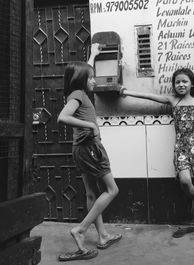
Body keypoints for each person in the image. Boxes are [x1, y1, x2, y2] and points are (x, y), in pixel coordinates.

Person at [120, 68, 194, 245]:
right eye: (177, 82)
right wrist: (126, 92)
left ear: (192, 84)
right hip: (181, 148)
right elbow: (149, 97)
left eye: (184, 81)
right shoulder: (173, 100)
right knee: (186, 180)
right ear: (174, 85)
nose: (181, 84)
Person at [57, 43, 122, 261]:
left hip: (80, 149)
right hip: (91, 148)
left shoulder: (78, 91)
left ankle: (103, 235)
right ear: (81, 79)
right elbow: (63, 117)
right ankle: (81, 229)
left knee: (92, 193)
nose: (94, 80)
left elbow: (84, 71)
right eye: (91, 77)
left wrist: (93, 54)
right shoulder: (78, 94)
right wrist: (92, 126)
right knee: (112, 190)